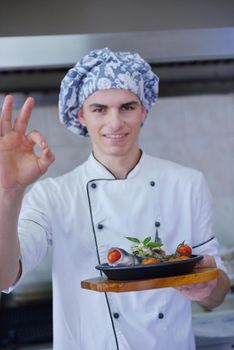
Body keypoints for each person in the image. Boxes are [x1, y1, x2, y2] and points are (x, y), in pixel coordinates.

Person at [0, 48, 230, 350]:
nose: (115, 122)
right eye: (99, 109)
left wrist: (209, 286)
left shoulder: (186, 184)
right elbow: (5, 277)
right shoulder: (54, 195)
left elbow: (216, 294)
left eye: (127, 107)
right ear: (81, 114)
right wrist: (9, 192)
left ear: (144, 109)